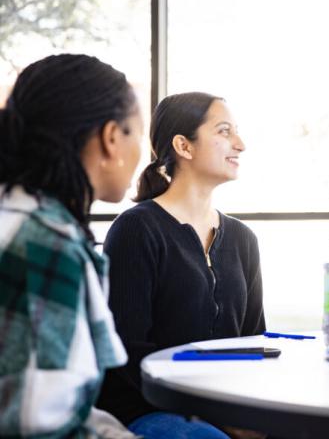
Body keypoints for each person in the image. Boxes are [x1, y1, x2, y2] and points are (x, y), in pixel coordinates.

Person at [97, 92, 266, 438]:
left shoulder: (243, 239)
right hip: (149, 409)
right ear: (183, 147)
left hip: (228, 406)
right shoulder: (136, 229)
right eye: (224, 131)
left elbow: (253, 342)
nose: (240, 144)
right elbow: (127, 349)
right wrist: (216, 418)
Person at [0, 54, 143, 437]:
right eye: (138, 133)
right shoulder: (45, 245)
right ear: (112, 137)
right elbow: (39, 426)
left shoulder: (18, 214)